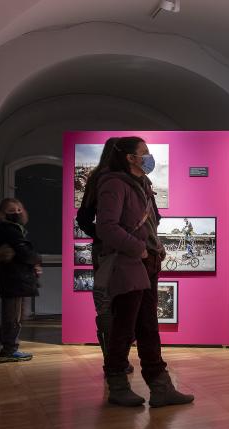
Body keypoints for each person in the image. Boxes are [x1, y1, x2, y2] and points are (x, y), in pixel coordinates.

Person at [96, 136, 193, 408]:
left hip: (146, 263)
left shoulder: (142, 184)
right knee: (124, 327)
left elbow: (149, 223)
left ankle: (161, 387)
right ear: (129, 157)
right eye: (144, 153)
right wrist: (137, 248)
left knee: (148, 327)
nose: (149, 158)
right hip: (129, 263)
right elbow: (106, 226)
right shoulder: (114, 184)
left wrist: (154, 248)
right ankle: (117, 384)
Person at [75, 138, 135, 374]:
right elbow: (84, 218)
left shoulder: (98, 178)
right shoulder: (116, 179)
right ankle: (116, 360)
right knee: (118, 305)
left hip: (107, 251)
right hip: (119, 251)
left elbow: (83, 219)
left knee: (107, 306)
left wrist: (101, 235)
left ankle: (114, 359)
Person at [0, 198, 41, 363]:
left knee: (17, 315)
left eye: (18, 209)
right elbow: (25, 252)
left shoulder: (12, 229)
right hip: (15, 280)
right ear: (3, 213)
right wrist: (36, 259)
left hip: (15, 279)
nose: (16, 213)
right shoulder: (9, 229)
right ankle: (9, 350)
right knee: (13, 317)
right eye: (11, 210)